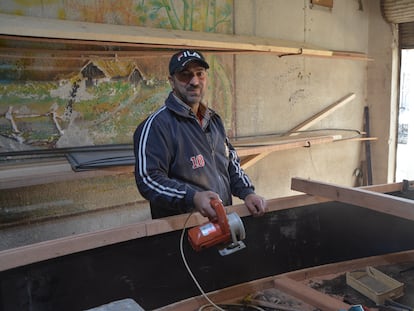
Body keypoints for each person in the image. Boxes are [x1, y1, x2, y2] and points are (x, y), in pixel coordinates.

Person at [133, 49, 266, 220]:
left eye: (199, 74)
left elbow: (230, 162)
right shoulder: (156, 126)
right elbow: (148, 180)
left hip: (222, 220)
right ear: (172, 81)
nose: (194, 81)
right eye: (185, 75)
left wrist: (248, 193)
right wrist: (193, 197)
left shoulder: (213, 120)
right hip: (183, 231)